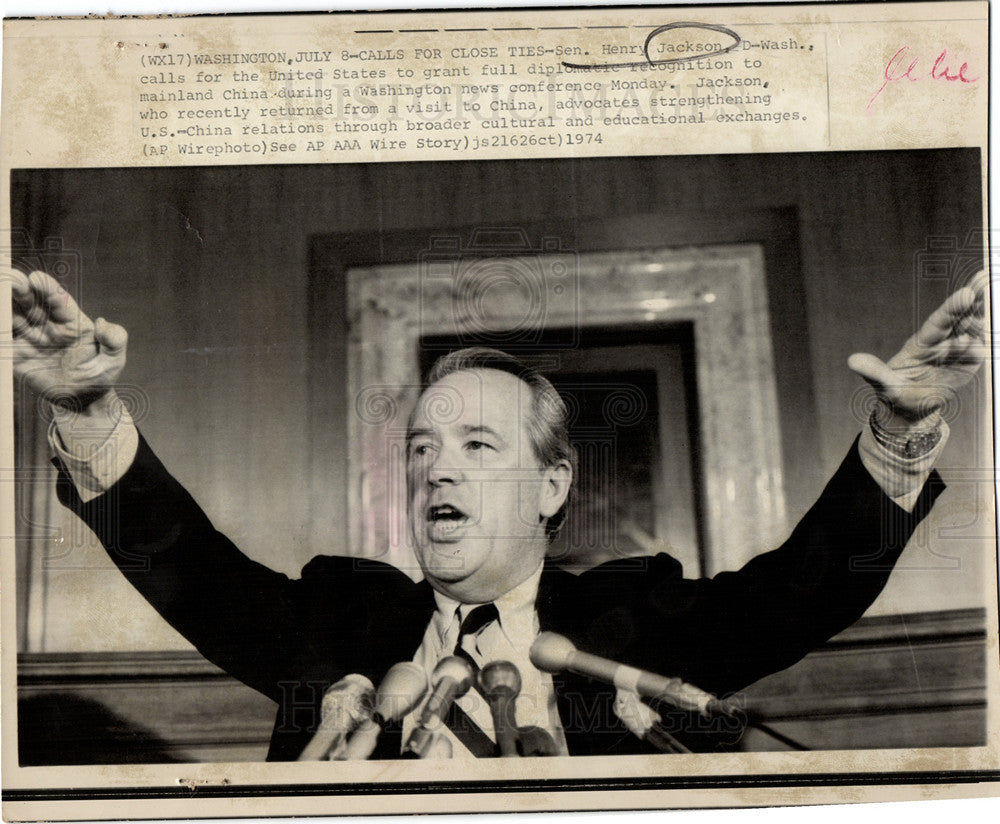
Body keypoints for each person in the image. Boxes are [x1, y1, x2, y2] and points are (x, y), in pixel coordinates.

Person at [8, 266, 989, 759]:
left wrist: (899, 432)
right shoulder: (336, 618)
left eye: (478, 447)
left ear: (552, 486)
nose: (439, 471)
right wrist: (86, 410)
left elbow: (796, 592)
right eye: (423, 448)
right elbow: (196, 570)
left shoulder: (632, 624)